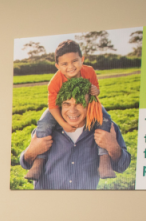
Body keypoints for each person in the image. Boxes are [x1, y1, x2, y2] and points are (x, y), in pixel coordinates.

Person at [24, 39, 114, 181]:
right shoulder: (54, 82)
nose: (70, 67)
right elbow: (53, 107)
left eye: (74, 61)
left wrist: (95, 91)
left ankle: (104, 160)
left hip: (87, 103)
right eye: (64, 64)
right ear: (57, 65)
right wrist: (64, 124)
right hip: (60, 108)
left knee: (105, 120)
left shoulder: (89, 71)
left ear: (82, 59)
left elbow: (96, 91)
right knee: (44, 123)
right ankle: (38, 162)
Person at [19, 78, 131, 190]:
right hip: (48, 202)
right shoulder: (47, 129)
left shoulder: (107, 129)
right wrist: (32, 151)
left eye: (79, 104)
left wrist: (112, 146)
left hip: (83, 202)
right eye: (66, 104)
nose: (72, 111)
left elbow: (122, 166)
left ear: (90, 104)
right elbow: (26, 164)